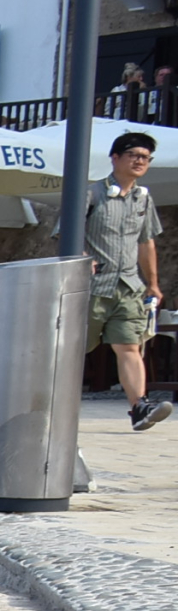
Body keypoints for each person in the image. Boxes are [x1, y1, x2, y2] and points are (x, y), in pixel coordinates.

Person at [86, 130, 175, 431]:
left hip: (128, 287)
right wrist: (84, 257)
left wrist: (153, 283)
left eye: (146, 158)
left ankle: (139, 406)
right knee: (69, 349)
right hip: (91, 288)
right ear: (115, 158)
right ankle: (38, 404)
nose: (140, 161)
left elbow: (146, 242)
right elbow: (65, 233)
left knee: (129, 346)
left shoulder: (143, 198)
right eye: (134, 155)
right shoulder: (91, 193)